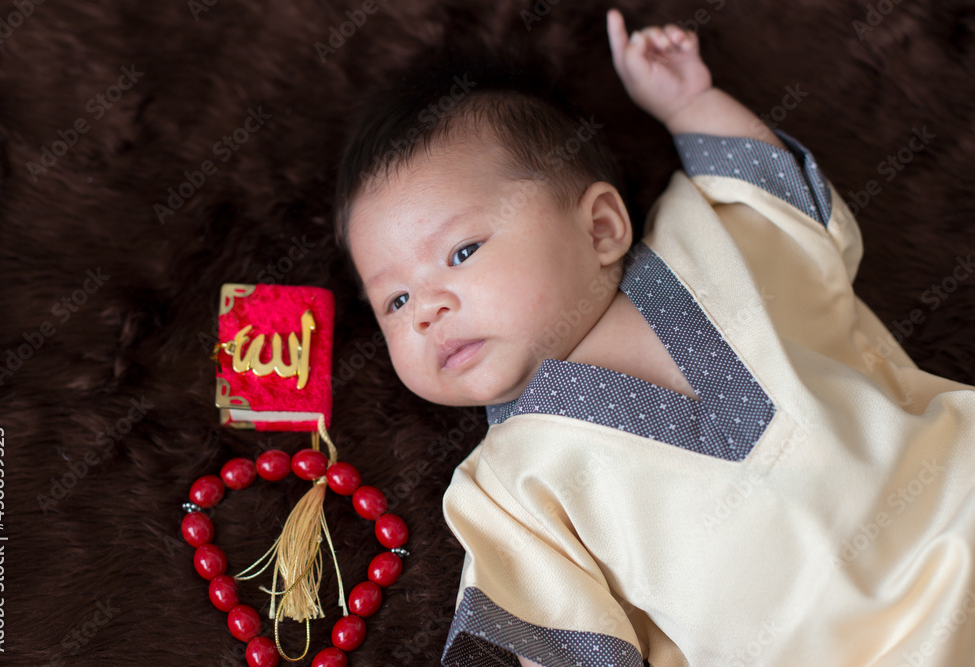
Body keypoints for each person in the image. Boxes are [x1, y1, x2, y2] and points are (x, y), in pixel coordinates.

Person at [332, 8, 975, 666]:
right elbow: (551, 640)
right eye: (395, 299)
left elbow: (772, 195)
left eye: (462, 252)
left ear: (602, 226)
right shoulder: (506, 489)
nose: (427, 310)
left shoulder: (708, 238)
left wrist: (690, 103)